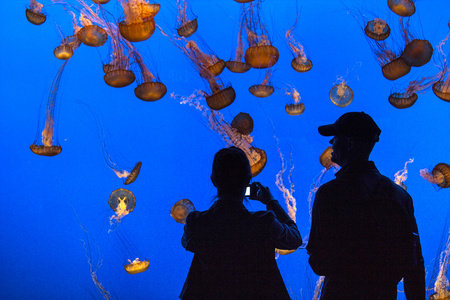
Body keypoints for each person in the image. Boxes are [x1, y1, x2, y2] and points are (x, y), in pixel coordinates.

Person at [306, 112, 425, 300]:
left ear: (350, 143)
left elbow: (320, 263)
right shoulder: (400, 196)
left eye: (336, 137)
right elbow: (414, 262)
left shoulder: (331, 192)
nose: (331, 143)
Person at [179, 146, 302, 300]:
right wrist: (271, 202)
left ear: (213, 180)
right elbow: (295, 239)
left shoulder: (196, 223)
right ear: (248, 180)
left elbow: (186, 243)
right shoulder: (263, 223)